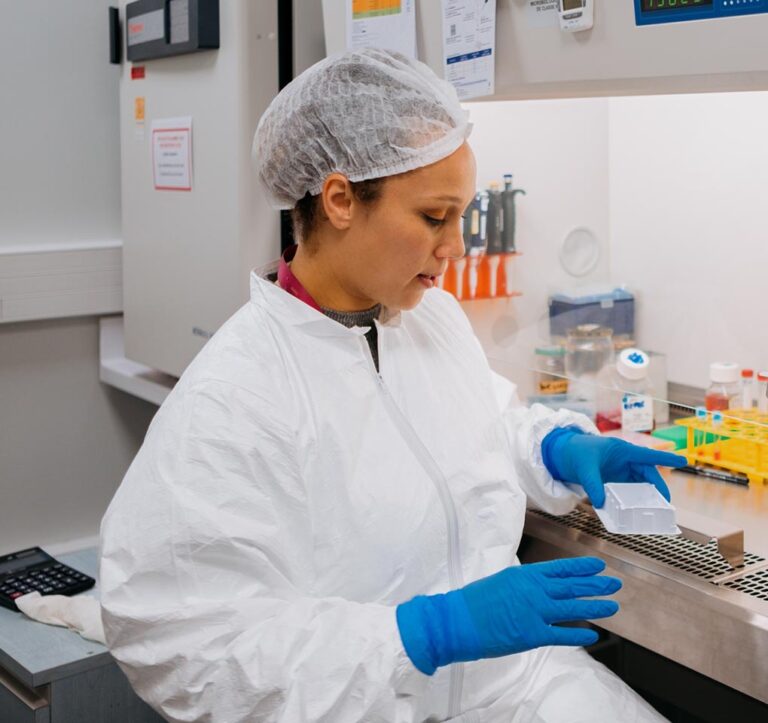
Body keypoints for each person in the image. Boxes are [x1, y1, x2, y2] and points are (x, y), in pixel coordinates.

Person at [100, 48, 686, 722]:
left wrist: (556, 445)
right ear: (341, 199)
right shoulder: (236, 396)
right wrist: (422, 633)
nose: (456, 247)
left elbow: (477, 427)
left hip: (513, 685)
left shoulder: (425, 317)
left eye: (462, 216)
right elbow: (187, 648)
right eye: (435, 218)